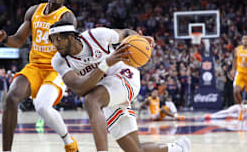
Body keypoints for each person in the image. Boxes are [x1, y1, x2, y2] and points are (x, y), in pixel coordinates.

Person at [49, 21, 191, 152]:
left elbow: (126, 33)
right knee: (135, 149)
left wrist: (140, 40)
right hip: (107, 94)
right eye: (52, 40)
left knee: (91, 101)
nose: (55, 43)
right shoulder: (59, 61)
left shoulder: (97, 35)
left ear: (71, 36)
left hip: (124, 76)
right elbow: (79, 88)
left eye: (58, 38)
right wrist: (104, 64)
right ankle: (177, 148)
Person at [0, 0, 79, 152]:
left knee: (43, 107)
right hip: (35, 66)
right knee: (11, 98)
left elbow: (71, 49)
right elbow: (18, 40)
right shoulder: (33, 11)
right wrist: (5, 39)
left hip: (56, 67)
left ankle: (69, 142)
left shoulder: (67, 16)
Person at [231, 34, 247, 123]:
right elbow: (234, 60)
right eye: (244, 39)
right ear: (241, 40)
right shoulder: (237, 49)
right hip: (240, 74)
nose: (245, 40)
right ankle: (241, 108)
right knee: (235, 91)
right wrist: (233, 69)